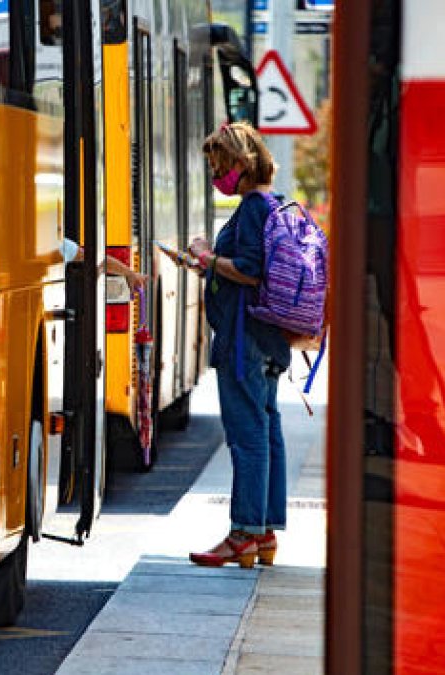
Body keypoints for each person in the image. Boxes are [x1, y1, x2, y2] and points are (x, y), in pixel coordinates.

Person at [160, 122, 291, 568]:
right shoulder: (270, 204)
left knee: (247, 436)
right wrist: (206, 266)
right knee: (266, 431)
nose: (217, 176)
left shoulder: (253, 207)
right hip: (265, 337)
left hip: (244, 341)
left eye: (220, 166)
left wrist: (206, 256)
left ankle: (243, 535)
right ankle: (265, 531)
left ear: (241, 163)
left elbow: (251, 270)